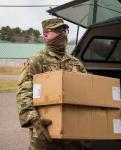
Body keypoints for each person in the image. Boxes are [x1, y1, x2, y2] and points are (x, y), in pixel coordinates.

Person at [16, 18, 87, 150]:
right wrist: (35, 121)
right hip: (45, 134)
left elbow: (88, 93)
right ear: (46, 35)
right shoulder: (37, 61)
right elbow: (23, 95)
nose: (63, 34)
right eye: (57, 30)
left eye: (64, 30)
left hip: (73, 136)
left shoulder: (76, 63)